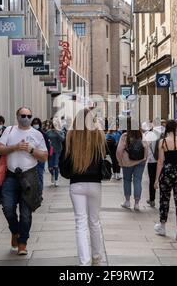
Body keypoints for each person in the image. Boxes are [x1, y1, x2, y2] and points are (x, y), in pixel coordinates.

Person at [0, 107, 48, 256]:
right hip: (11, 176)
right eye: (23, 115)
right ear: (17, 116)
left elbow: (44, 157)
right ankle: (15, 231)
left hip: (29, 176)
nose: (26, 118)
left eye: (28, 115)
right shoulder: (9, 131)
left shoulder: (37, 134)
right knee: (7, 208)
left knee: (26, 213)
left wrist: (30, 150)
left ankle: (22, 242)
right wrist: (15, 147)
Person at [59, 108, 106, 266]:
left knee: (80, 222)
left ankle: (84, 262)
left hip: (76, 183)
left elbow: (63, 164)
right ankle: (97, 258)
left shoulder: (70, 136)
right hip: (95, 184)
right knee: (94, 221)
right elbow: (103, 158)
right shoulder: (99, 135)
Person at [153, 120, 177, 241]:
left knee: (164, 200)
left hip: (167, 173)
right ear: (176, 129)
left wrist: (156, 180)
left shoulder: (162, 142)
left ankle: (162, 227)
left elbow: (160, 162)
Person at [116, 118, 149, 211]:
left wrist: (119, 161)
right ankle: (137, 204)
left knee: (127, 180)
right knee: (138, 180)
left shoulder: (125, 136)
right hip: (140, 161)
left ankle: (127, 202)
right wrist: (144, 159)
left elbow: (119, 150)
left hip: (127, 162)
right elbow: (146, 147)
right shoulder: (141, 135)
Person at [143, 122, 161, 208]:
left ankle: (152, 199)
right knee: (162, 181)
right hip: (162, 162)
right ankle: (163, 199)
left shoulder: (148, 136)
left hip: (152, 162)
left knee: (152, 181)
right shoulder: (163, 137)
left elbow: (145, 147)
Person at [32, 118, 50, 193]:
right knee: (32, 176)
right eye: (34, 123)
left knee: (39, 175)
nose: (35, 125)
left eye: (37, 123)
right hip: (31, 157)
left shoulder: (43, 134)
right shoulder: (30, 133)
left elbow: (47, 146)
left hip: (40, 157)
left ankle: (39, 193)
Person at [47, 121, 65, 187]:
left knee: (56, 165)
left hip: (58, 151)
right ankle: (52, 175)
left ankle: (56, 180)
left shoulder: (60, 131)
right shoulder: (48, 132)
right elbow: (45, 138)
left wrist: (57, 133)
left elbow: (63, 139)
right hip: (51, 151)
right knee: (50, 167)